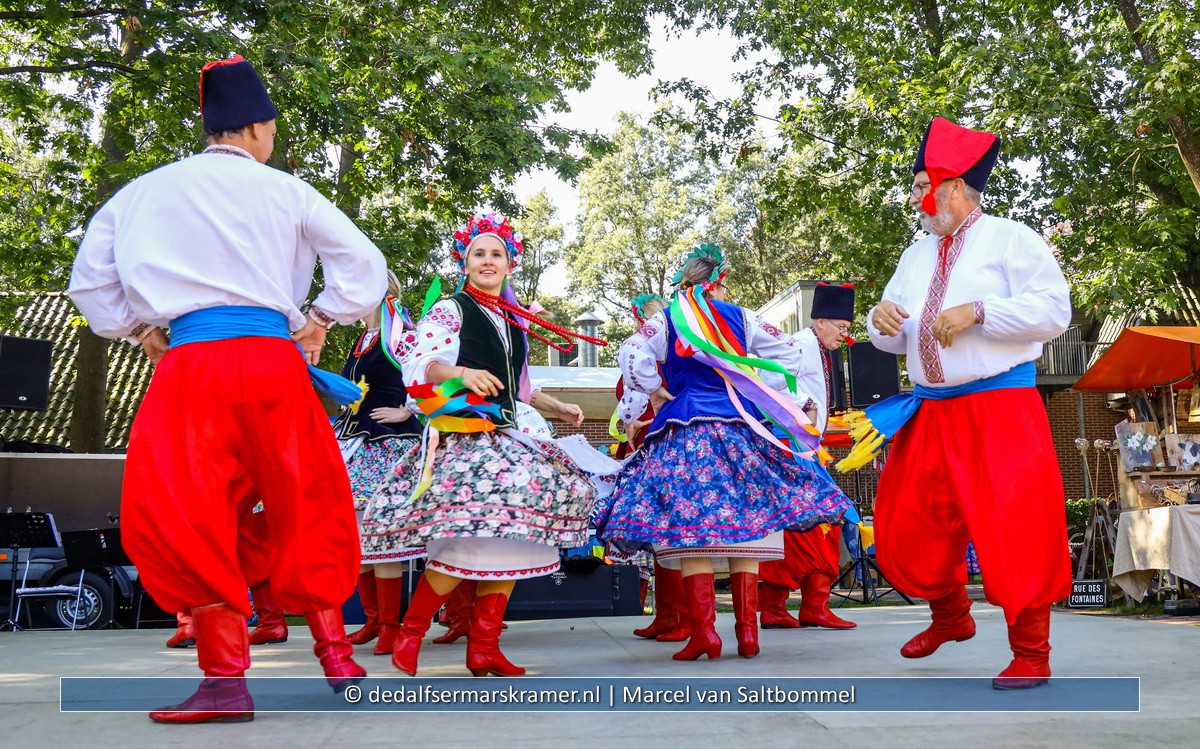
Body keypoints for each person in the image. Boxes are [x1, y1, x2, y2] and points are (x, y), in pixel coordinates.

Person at [68, 55, 385, 723]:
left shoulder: (143, 192)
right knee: (304, 495)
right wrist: (321, 318)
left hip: (191, 368)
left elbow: (92, 287)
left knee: (188, 513)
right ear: (261, 129)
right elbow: (366, 265)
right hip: (273, 363)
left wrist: (139, 329)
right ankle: (337, 655)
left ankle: (224, 681)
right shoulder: (287, 191)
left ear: (211, 128)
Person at [853, 116, 1072, 689]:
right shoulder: (916, 253)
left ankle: (1031, 652)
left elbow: (1054, 311)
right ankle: (951, 617)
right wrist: (881, 323)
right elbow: (894, 330)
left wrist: (978, 311)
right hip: (930, 408)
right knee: (905, 521)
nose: (917, 196)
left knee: (1016, 528)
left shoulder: (1011, 238)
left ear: (953, 186)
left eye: (926, 182)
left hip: (999, 407)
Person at [361, 212, 618, 677]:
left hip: (503, 435)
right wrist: (460, 373)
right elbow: (419, 364)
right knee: (469, 544)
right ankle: (412, 634)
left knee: (514, 540)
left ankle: (484, 646)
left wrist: (557, 405)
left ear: (510, 264)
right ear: (466, 261)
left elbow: (518, 386)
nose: (487, 260)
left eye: (496, 253)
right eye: (478, 253)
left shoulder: (510, 319)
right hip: (464, 438)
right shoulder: (451, 309)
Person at [597, 244, 852, 661]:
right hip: (740, 425)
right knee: (746, 520)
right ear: (720, 281)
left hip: (688, 425)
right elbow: (788, 352)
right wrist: (754, 378)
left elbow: (630, 352)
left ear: (685, 281)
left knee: (695, 530)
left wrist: (656, 390)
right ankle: (747, 634)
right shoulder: (743, 316)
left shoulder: (667, 318)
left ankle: (705, 635)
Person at [335, 271, 427, 655]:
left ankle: (390, 624)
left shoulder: (402, 334)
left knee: (380, 533)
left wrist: (408, 411)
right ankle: (373, 620)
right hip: (353, 442)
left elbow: (427, 374)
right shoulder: (362, 340)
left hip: (386, 446)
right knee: (356, 538)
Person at [759, 282, 858, 630]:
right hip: (791, 446)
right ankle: (808, 605)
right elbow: (767, 380)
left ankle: (783, 605)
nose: (845, 336)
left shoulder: (816, 347)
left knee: (797, 524)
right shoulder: (800, 344)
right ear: (820, 322)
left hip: (805, 448)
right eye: (842, 328)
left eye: (848, 329)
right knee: (823, 520)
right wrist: (805, 404)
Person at [611, 293, 690, 642]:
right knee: (658, 536)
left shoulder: (665, 360)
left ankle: (683, 615)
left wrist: (638, 425)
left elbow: (648, 405)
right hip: (649, 452)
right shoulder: (645, 359)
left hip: (665, 449)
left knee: (673, 533)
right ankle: (667, 613)